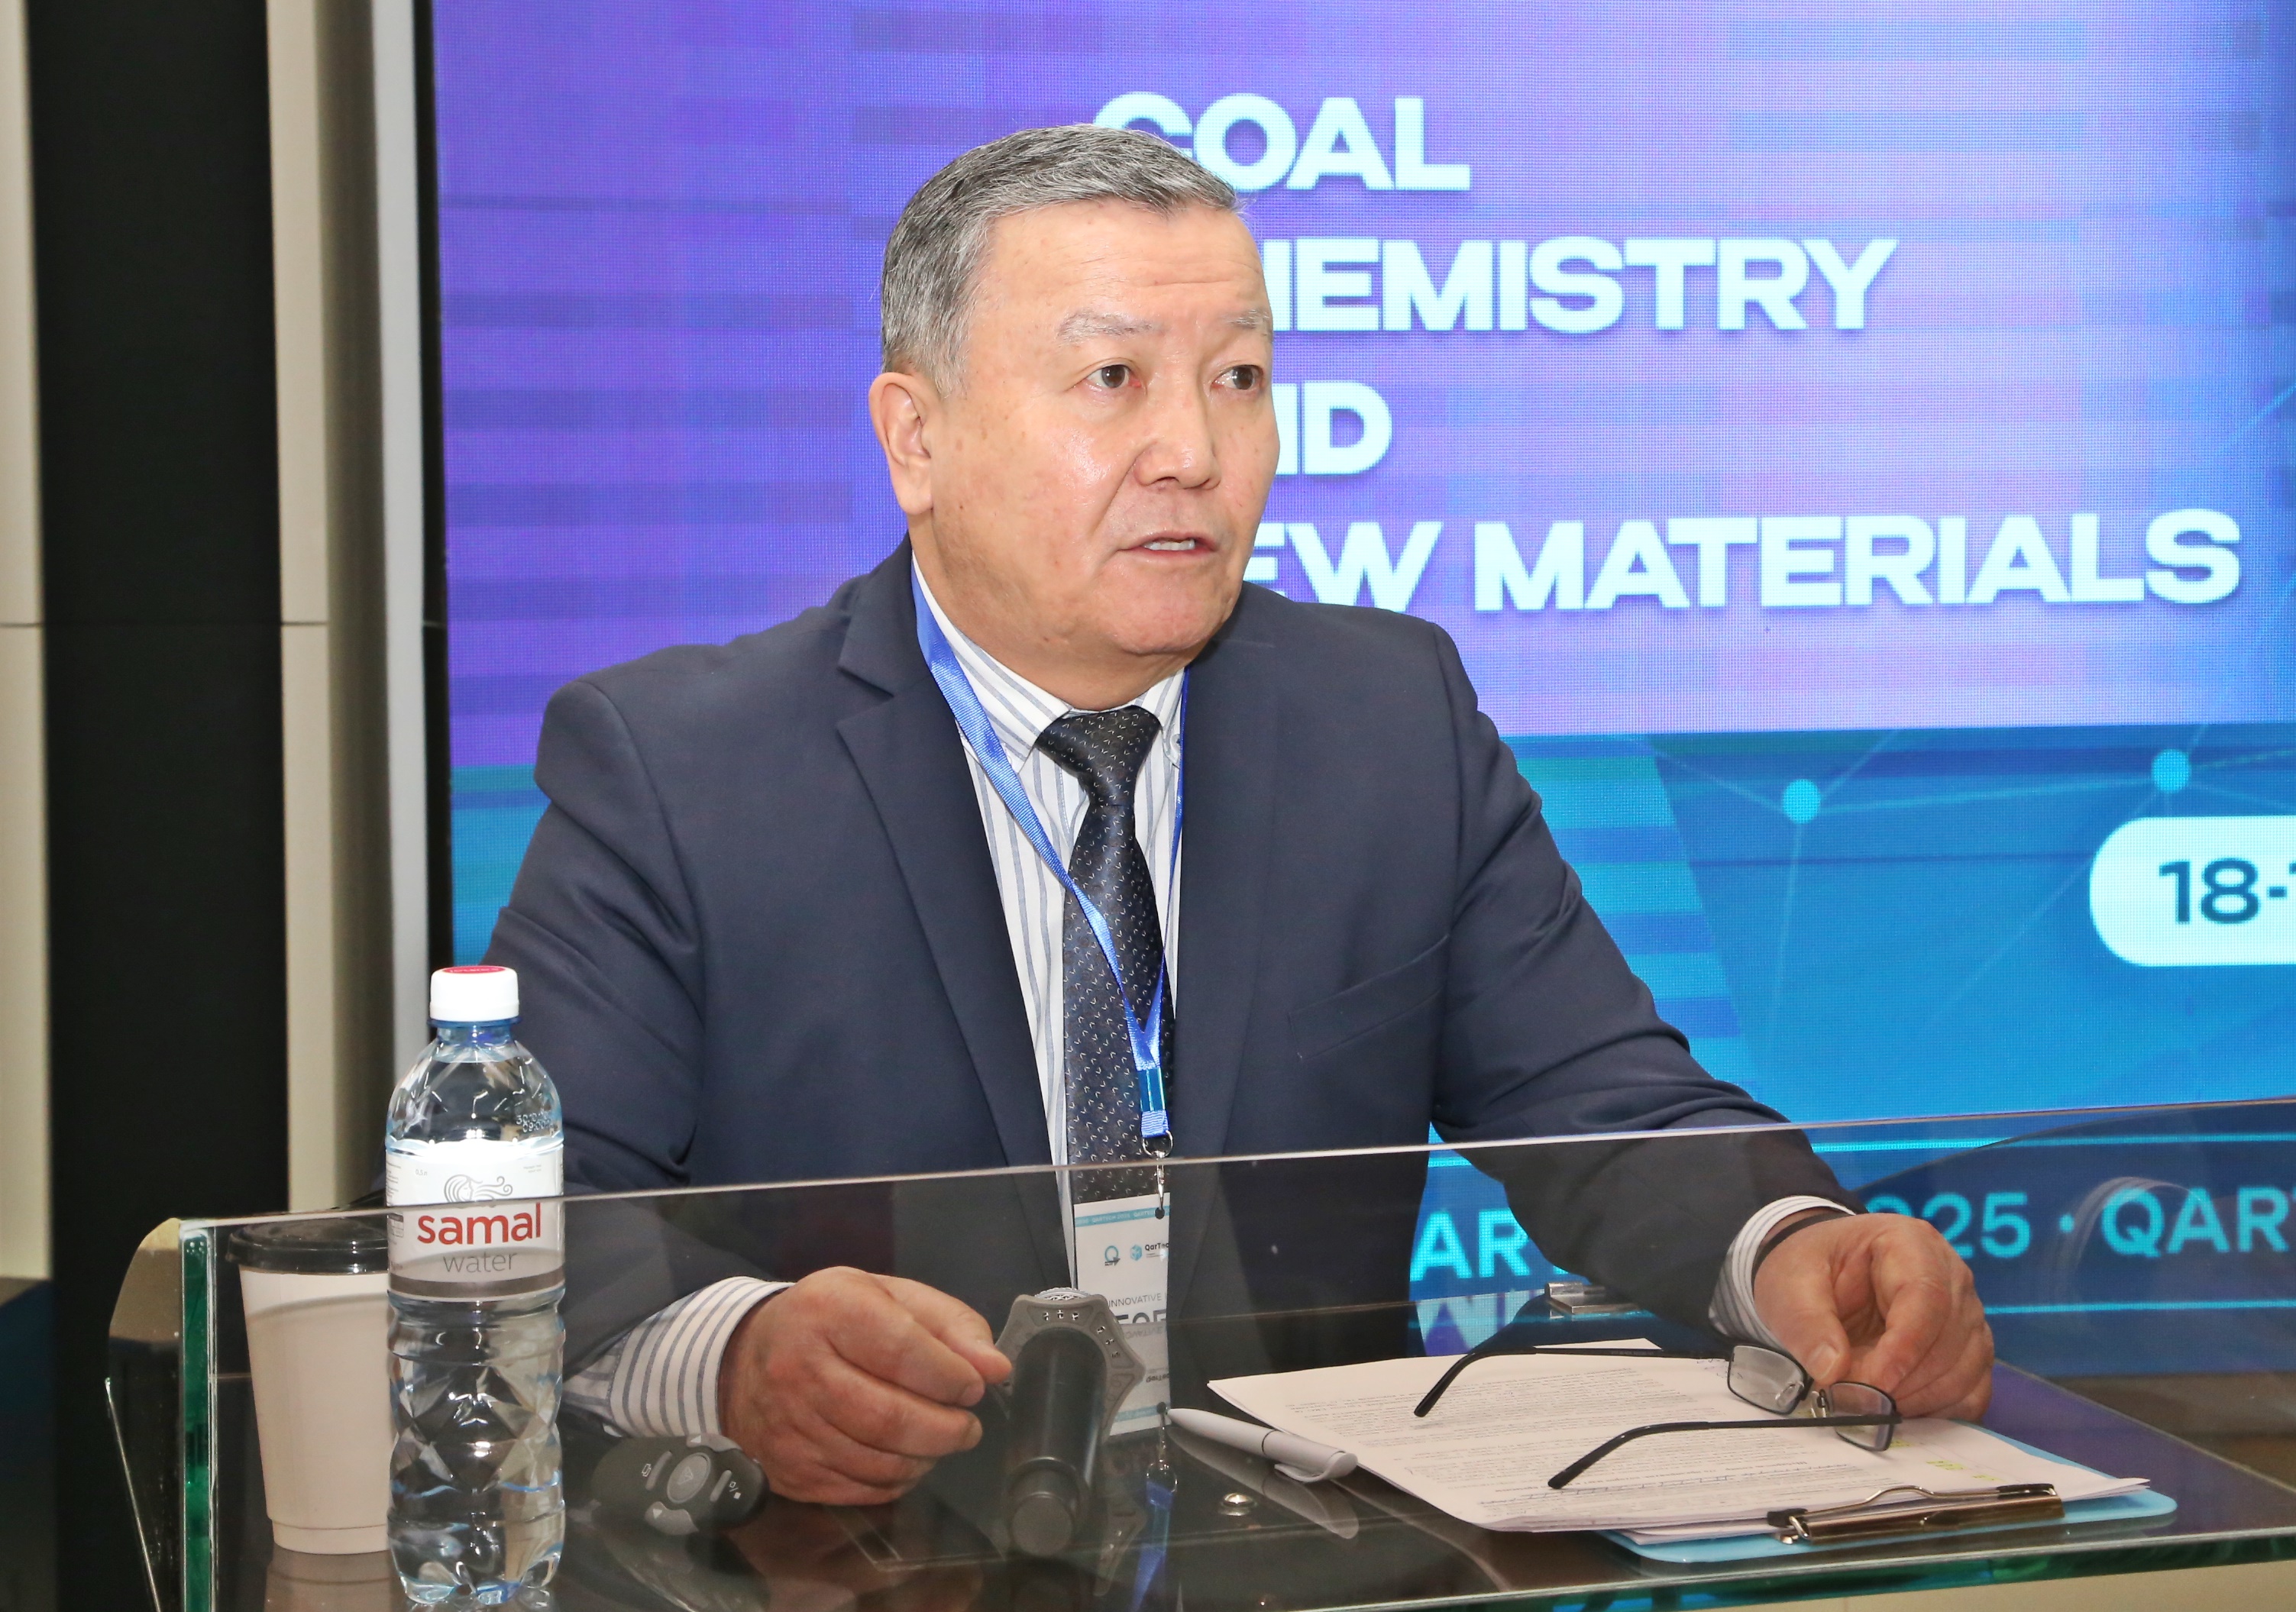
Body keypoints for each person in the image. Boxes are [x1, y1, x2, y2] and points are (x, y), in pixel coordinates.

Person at [491, 124, 1992, 1508]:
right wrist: (735, 1359)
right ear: (917, 438)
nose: (1195, 454)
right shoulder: (680, 771)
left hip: (1306, 1555)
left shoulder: (1385, 719)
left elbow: (1600, 1103)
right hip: (868, 1563)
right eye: (1112, 379)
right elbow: (511, 1218)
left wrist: (1792, 1249)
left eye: (1240, 379)